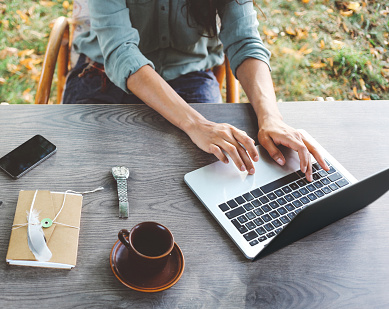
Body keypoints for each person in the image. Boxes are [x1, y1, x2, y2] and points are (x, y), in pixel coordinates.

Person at [63, 0, 329, 181]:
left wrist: (271, 118)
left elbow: (245, 40)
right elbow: (121, 52)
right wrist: (197, 125)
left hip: (189, 74)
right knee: (82, 168)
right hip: (101, 73)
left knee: (218, 172)